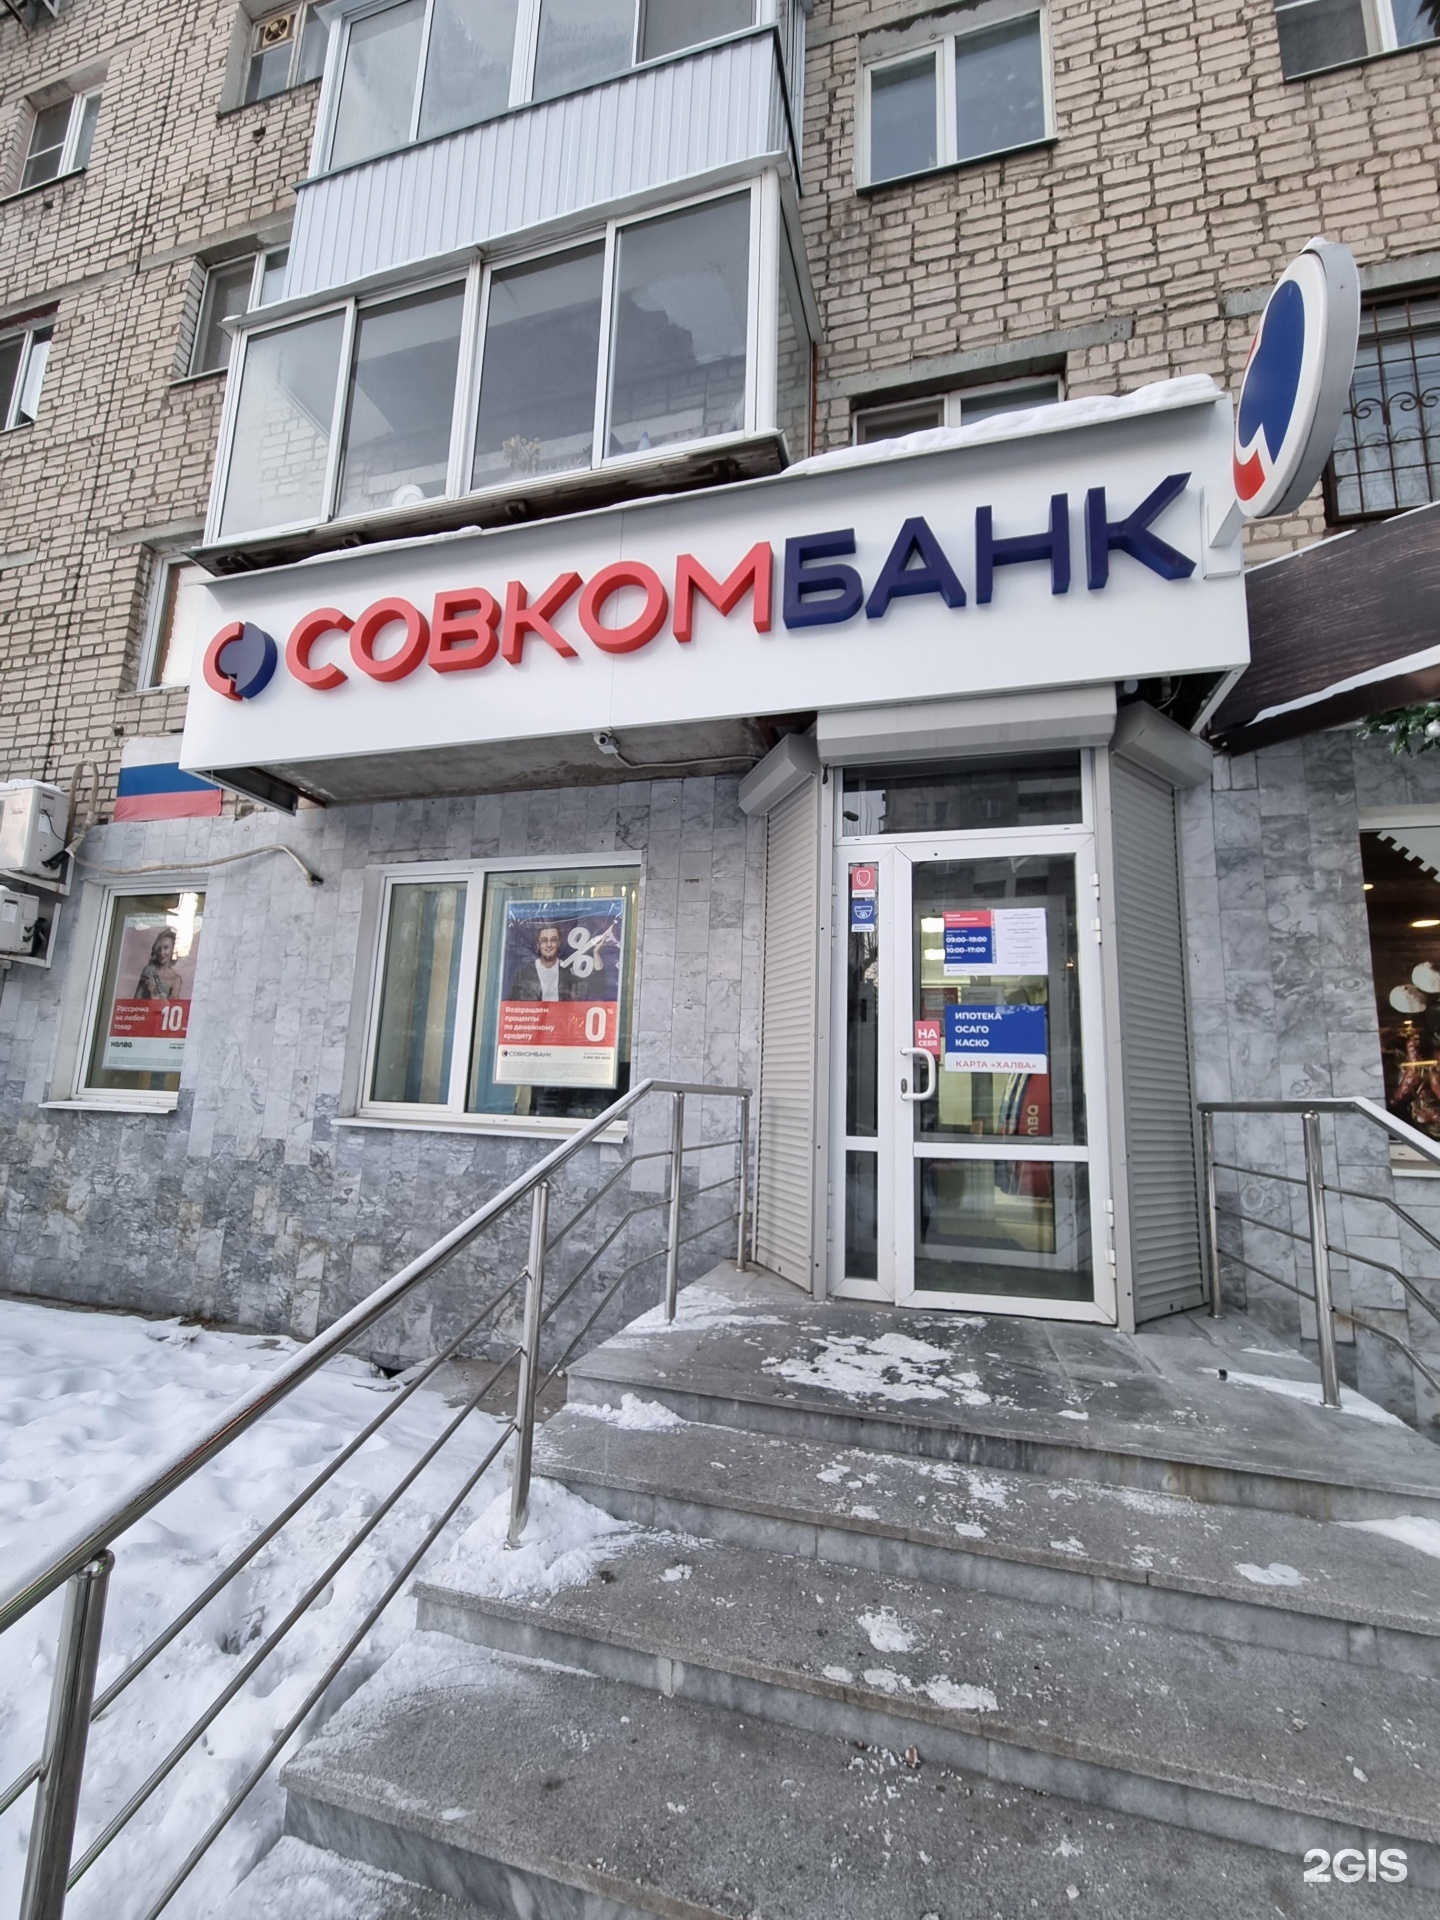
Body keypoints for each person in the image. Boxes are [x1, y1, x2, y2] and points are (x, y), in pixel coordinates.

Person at [507, 923, 573, 1002]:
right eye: (544, 940)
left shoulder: (567, 973)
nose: (549, 945)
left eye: (553, 940)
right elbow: (512, 1004)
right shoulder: (524, 974)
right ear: (538, 944)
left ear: (559, 943)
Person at [135, 929, 182, 1000]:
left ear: (173, 949)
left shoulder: (175, 979)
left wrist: (153, 994)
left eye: (166, 948)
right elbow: (137, 1000)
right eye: (159, 948)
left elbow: (173, 1005)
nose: (161, 952)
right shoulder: (148, 970)